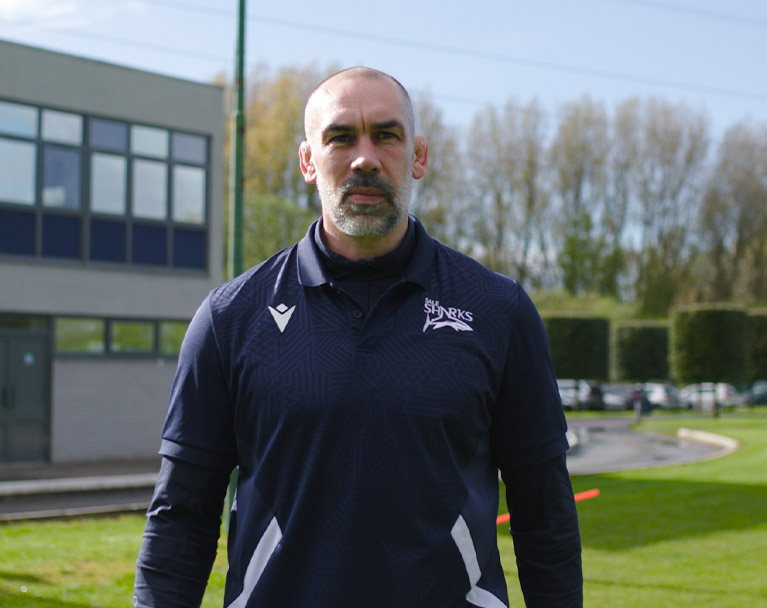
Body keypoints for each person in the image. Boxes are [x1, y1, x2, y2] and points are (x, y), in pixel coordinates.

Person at [133, 66, 582, 608]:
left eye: (385, 135)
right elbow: (181, 518)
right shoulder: (230, 318)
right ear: (308, 162)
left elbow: (545, 515)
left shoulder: (497, 311)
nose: (364, 158)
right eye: (340, 137)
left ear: (418, 156)